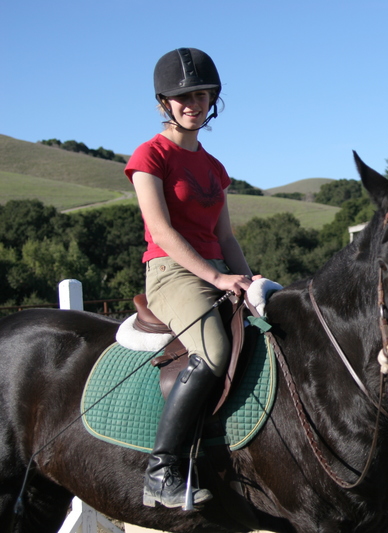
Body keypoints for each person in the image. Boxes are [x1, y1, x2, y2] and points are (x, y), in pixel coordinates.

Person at [125, 47, 260, 509]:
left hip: (218, 270)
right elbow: (161, 230)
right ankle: (161, 471)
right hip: (170, 273)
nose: (193, 104)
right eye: (183, 96)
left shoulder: (215, 167)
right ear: (164, 102)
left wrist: (249, 281)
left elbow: (225, 236)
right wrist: (216, 279)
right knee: (214, 350)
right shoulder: (150, 156)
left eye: (202, 95)